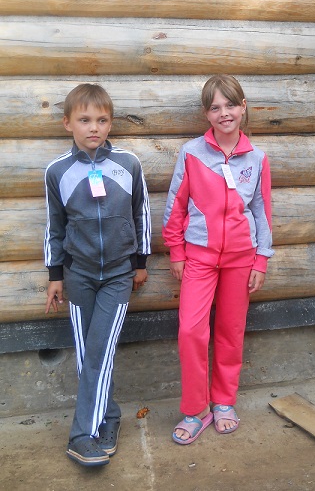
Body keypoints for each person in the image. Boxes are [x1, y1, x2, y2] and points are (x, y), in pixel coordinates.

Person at [162, 74, 273, 444]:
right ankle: (196, 409)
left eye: (230, 105)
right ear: (206, 114)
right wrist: (177, 250)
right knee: (191, 331)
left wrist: (261, 259)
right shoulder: (192, 153)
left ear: (243, 107)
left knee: (230, 330)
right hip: (199, 258)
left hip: (242, 259)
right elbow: (175, 205)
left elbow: (262, 210)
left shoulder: (257, 158)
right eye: (215, 107)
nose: (224, 113)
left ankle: (224, 401)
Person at [44, 83, 151, 467]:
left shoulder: (128, 164)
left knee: (100, 352)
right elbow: (55, 226)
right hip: (79, 275)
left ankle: (80, 436)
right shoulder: (58, 171)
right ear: (67, 123)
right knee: (88, 354)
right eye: (85, 120)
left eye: (102, 120)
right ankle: (109, 417)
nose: (94, 127)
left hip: (119, 275)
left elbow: (142, 214)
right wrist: (55, 274)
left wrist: (140, 262)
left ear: (110, 123)